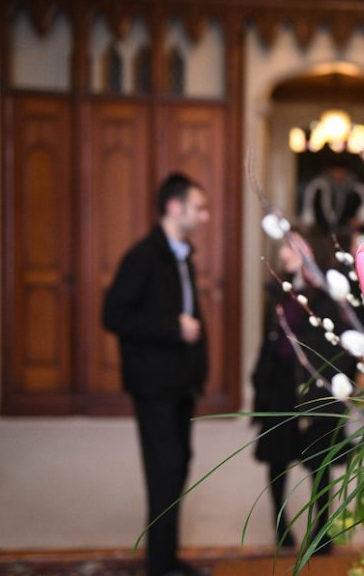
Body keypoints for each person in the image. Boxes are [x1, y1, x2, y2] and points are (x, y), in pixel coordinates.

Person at [103, 173, 210, 576]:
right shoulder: (143, 256)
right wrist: (173, 327)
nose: (205, 215)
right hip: (154, 386)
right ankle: (160, 565)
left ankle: (166, 558)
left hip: (180, 383)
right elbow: (113, 314)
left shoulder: (181, 254)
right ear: (173, 207)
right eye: (198, 207)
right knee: (164, 469)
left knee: (178, 464)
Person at [251, 230, 357, 554]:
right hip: (281, 382)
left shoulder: (327, 292)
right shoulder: (277, 290)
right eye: (284, 244)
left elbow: (341, 340)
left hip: (316, 383)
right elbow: (271, 339)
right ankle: (280, 525)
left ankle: (321, 527)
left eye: (292, 244)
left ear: (311, 250)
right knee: (277, 455)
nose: (285, 250)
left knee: (319, 459)